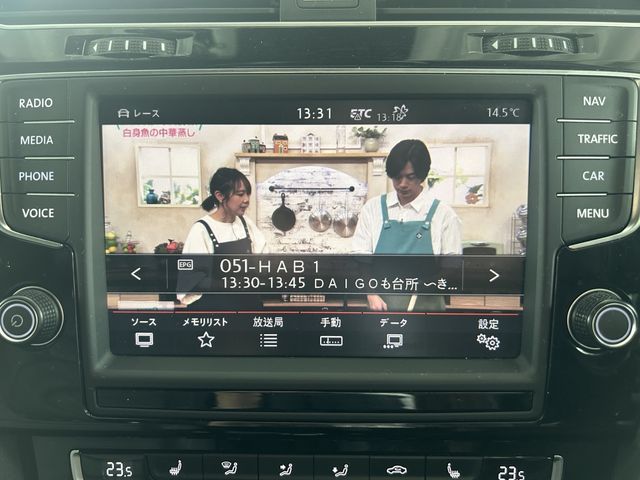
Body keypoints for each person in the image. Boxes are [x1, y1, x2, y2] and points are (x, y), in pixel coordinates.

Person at [352, 139, 462, 312]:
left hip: (428, 307)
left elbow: (452, 267)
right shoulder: (373, 209)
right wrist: (371, 294)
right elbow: (362, 259)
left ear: (422, 175)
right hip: (381, 307)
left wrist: (424, 286)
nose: (402, 184)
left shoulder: (443, 214)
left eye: (410, 177)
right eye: (397, 177)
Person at [177, 167, 267, 308]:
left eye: (248, 194)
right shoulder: (201, 230)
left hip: (249, 306)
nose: (246, 200)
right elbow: (191, 281)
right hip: (217, 310)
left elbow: (265, 258)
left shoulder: (245, 223)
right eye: (240, 194)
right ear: (220, 196)